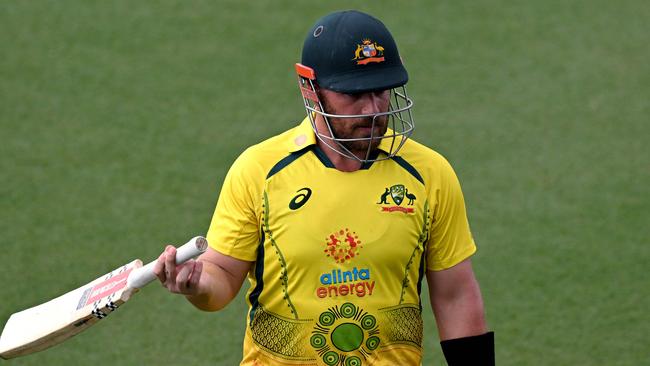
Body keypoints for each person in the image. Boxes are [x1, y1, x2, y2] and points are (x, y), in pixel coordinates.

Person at [154, 10, 494, 365]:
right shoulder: (259, 172)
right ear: (310, 89)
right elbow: (221, 277)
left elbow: (456, 295)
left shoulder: (430, 174)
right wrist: (196, 284)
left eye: (381, 91)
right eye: (354, 95)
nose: (373, 109)